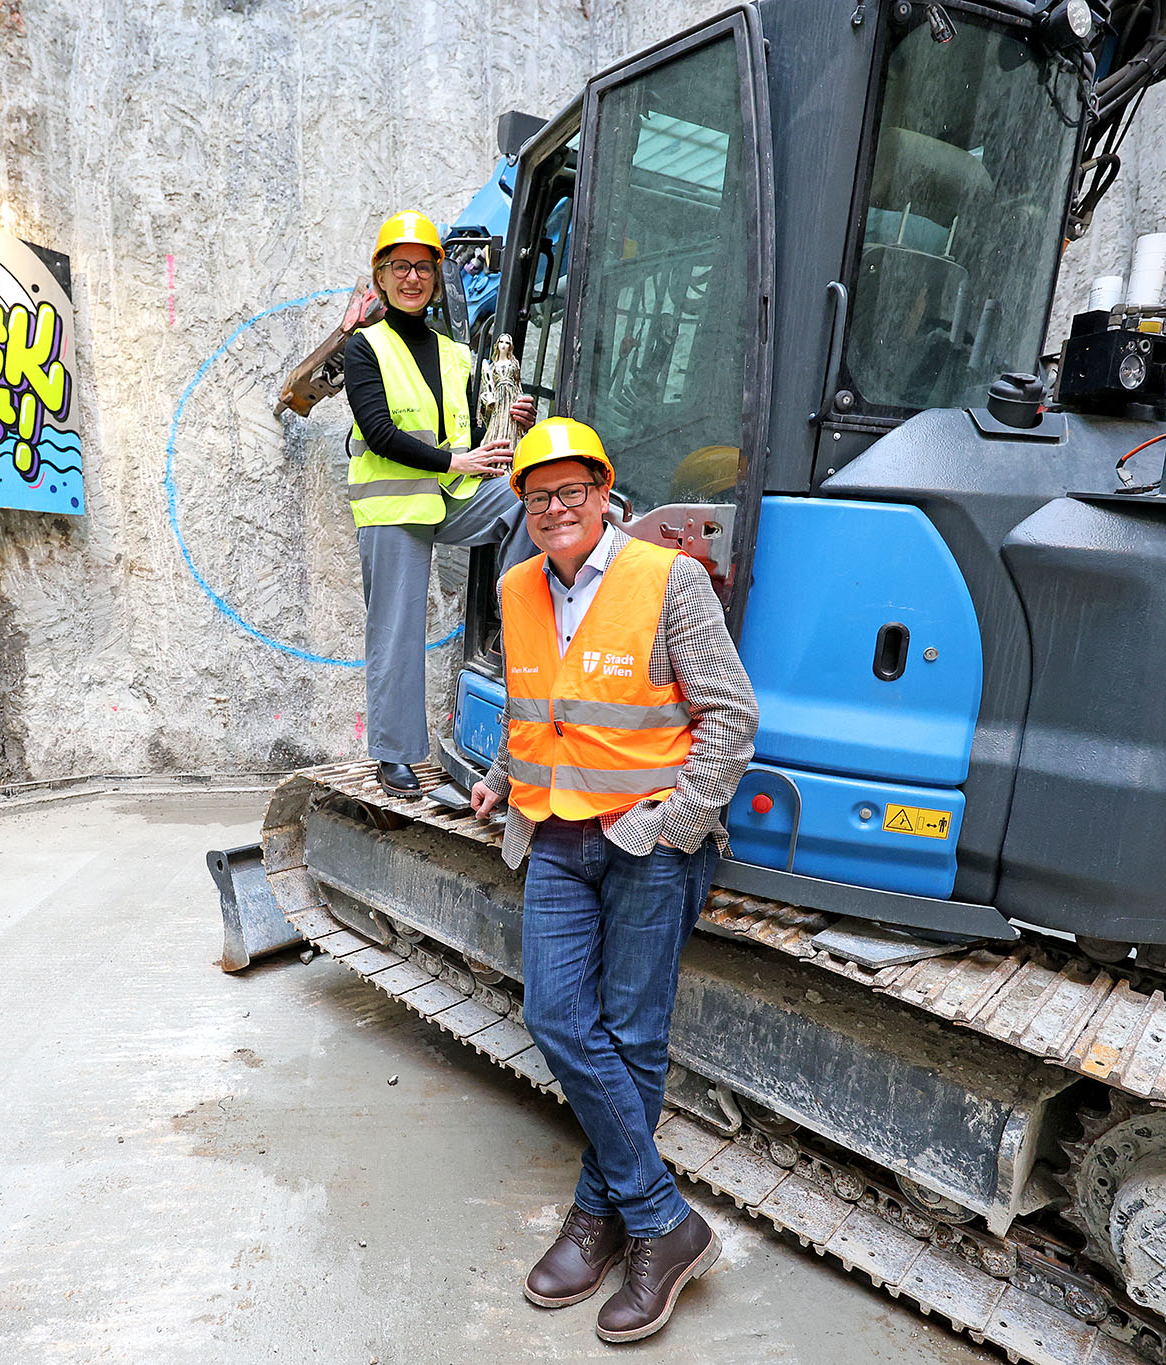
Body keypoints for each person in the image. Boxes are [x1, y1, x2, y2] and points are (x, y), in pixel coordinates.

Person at [468, 418, 758, 1344]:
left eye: (571, 491)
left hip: (647, 837)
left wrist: (673, 824)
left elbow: (730, 714)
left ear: (603, 492)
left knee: (633, 1034)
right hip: (553, 831)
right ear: (524, 505)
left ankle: (601, 1219)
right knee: (558, 1016)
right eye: (537, 495)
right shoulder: (518, 587)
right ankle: (662, 1219)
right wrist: (502, 777)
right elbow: (536, 702)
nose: (556, 509)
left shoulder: (667, 578)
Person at [345, 210, 537, 797]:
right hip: (395, 507)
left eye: (423, 267)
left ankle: (519, 614)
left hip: (450, 496)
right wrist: (457, 462)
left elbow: (470, 427)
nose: (412, 278)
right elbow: (379, 431)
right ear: (380, 277)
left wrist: (509, 418)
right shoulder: (365, 348)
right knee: (397, 630)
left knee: (531, 500)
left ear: (436, 274)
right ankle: (395, 754)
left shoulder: (455, 353)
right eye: (399, 267)